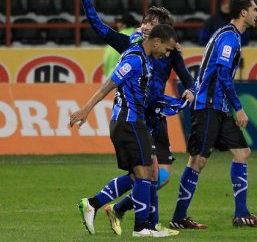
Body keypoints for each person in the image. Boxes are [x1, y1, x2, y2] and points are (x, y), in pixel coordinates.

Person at [73, 0, 194, 236]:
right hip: (133, 116)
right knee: (147, 172)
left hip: (153, 114)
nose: (147, 27)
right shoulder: (134, 49)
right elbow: (99, 28)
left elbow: (186, 76)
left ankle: (129, 215)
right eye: (146, 22)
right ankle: (143, 224)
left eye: (154, 24)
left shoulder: (168, 52)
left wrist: (191, 89)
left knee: (157, 175)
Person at [169, 0, 257, 230]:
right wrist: (239, 108)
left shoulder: (228, 34)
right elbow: (223, 74)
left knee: (242, 152)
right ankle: (178, 218)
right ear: (243, 12)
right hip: (208, 107)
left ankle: (241, 214)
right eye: (254, 9)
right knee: (197, 161)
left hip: (218, 108)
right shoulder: (229, 38)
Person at [70, 24, 178, 238]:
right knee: (145, 173)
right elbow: (110, 83)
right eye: (167, 49)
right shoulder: (135, 59)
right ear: (156, 42)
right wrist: (86, 109)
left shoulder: (144, 56)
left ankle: (93, 204)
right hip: (128, 122)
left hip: (135, 122)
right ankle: (141, 228)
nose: (167, 54)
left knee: (144, 174)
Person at [103, 13, 138, 77]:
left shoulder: (115, 37)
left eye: (119, 22)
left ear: (124, 25)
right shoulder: (139, 37)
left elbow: (107, 59)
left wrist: (108, 74)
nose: (117, 25)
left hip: (114, 76)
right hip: (134, 77)